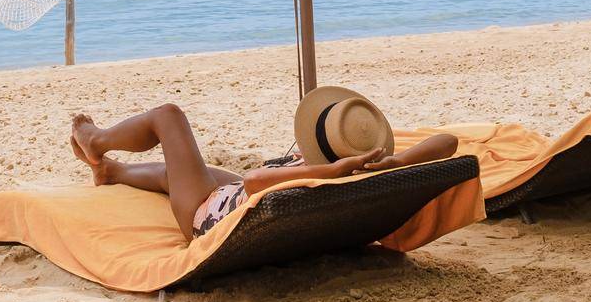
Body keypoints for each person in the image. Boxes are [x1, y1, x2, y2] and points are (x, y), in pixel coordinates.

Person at [69, 85, 458, 241]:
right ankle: (113, 172)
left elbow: (255, 181)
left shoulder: (328, 175)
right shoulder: (364, 174)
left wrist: (330, 170)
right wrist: (397, 160)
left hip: (209, 217)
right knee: (183, 173)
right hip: (234, 199)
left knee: (168, 116)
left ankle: (96, 142)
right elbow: (449, 142)